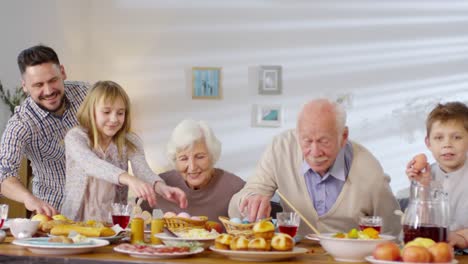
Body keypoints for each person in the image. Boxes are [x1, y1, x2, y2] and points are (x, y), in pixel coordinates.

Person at [229, 98, 401, 236]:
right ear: (297, 134)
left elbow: (392, 234)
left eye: (323, 141)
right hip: (296, 257)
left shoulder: (369, 171)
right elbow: (234, 210)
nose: (315, 152)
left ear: (344, 136)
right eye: (307, 141)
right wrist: (251, 200)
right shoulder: (281, 149)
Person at [61, 81, 187, 221]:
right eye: (106, 112)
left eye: (120, 113)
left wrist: (162, 188)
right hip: (75, 220)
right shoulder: (76, 137)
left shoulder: (130, 141)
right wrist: (128, 179)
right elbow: (90, 164)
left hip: (113, 222)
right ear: (91, 111)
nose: (114, 119)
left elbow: (142, 171)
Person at [0, 44, 89, 216]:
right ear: (24, 86)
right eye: (38, 85)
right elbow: (3, 173)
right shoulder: (21, 123)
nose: (48, 91)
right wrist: (28, 198)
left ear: (62, 72)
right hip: (54, 214)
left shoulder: (87, 94)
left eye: (53, 80)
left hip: (100, 210)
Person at [142, 119, 245, 223]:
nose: (192, 167)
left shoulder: (235, 187)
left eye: (200, 157)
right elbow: (138, 214)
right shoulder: (161, 185)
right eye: (183, 158)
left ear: (212, 156)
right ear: (175, 161)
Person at [406, 102, 468, 248]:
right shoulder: (427, 175)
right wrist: (422, 187)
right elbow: (420, 226)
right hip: (434, 250)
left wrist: (461, 238)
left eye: (457, 137)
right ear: (428, 143)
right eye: (439, 138)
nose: (447, 144)